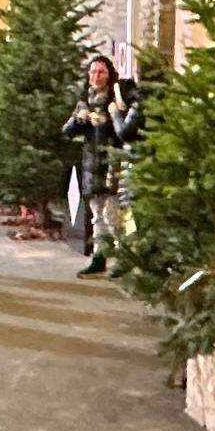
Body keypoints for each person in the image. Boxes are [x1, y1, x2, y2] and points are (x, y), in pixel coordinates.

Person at [63, 54, 143, 277]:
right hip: (91, 164)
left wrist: (111, 117)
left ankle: (120, 258)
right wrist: (80, 118)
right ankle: (99, 256)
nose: (96, 76)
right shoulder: (85, 102)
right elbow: (67, 132)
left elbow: (124, 132)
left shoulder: (116, 101)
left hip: (112, 165)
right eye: (93, 72)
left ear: (109, 76)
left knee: (113, 215)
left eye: (101, 72)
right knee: (97, 215)